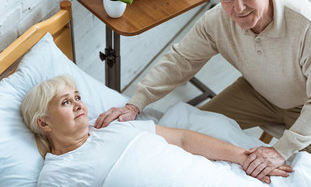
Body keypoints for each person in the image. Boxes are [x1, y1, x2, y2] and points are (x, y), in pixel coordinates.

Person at [94, 0, 311, 180]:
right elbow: (181, 61)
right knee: (191, 135)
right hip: (259, 93)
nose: (238, 8)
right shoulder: (217, 20)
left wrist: (280, 150)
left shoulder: (305, 25)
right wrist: (134, 103)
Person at [21, 75, 292, 186]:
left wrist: (244, 157)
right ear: (44, 123)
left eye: (78, 97)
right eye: (66, 102)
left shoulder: (112, 128)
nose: (79, 104)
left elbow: (183, 139)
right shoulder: (57, 173)